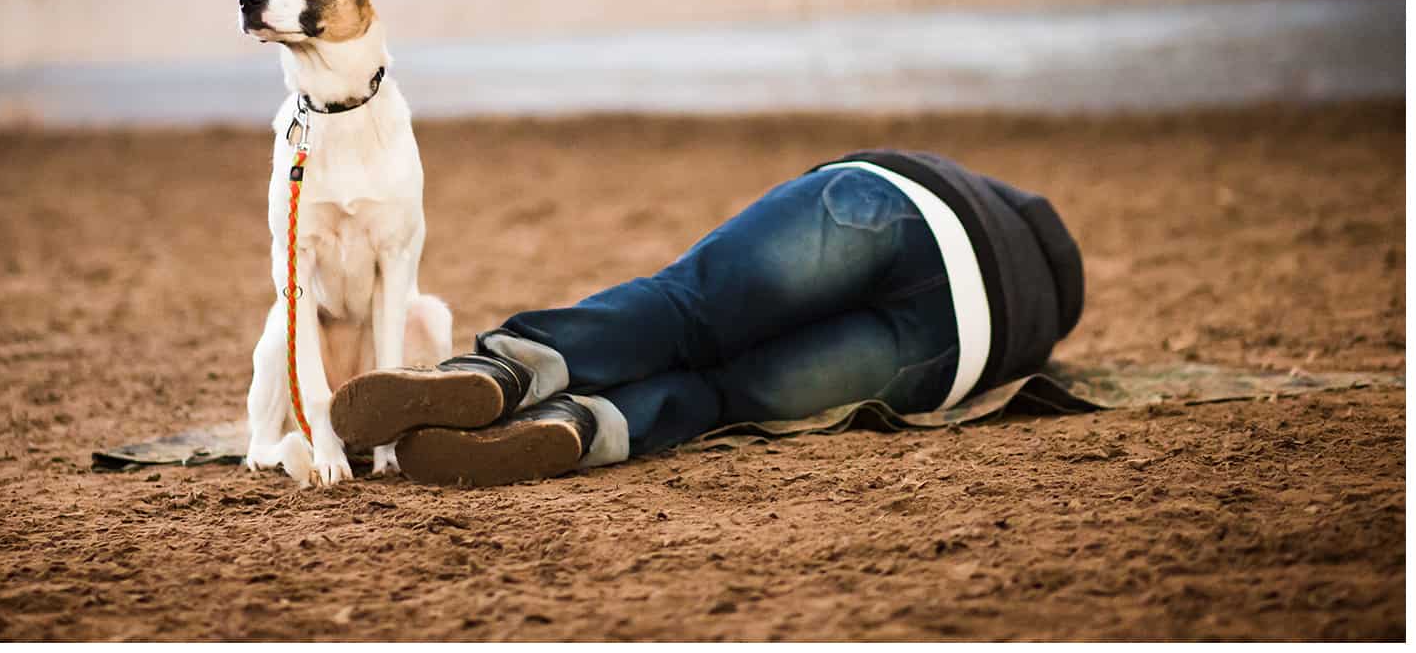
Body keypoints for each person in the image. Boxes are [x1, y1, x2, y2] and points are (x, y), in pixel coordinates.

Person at [329, 149, 1084, 486]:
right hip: (961, 345)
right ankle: (585, 426)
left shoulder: (970, 186)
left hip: (901, 203)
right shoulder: (1038, 327)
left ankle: (502, 370)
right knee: (725, 396)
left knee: (685, 309)